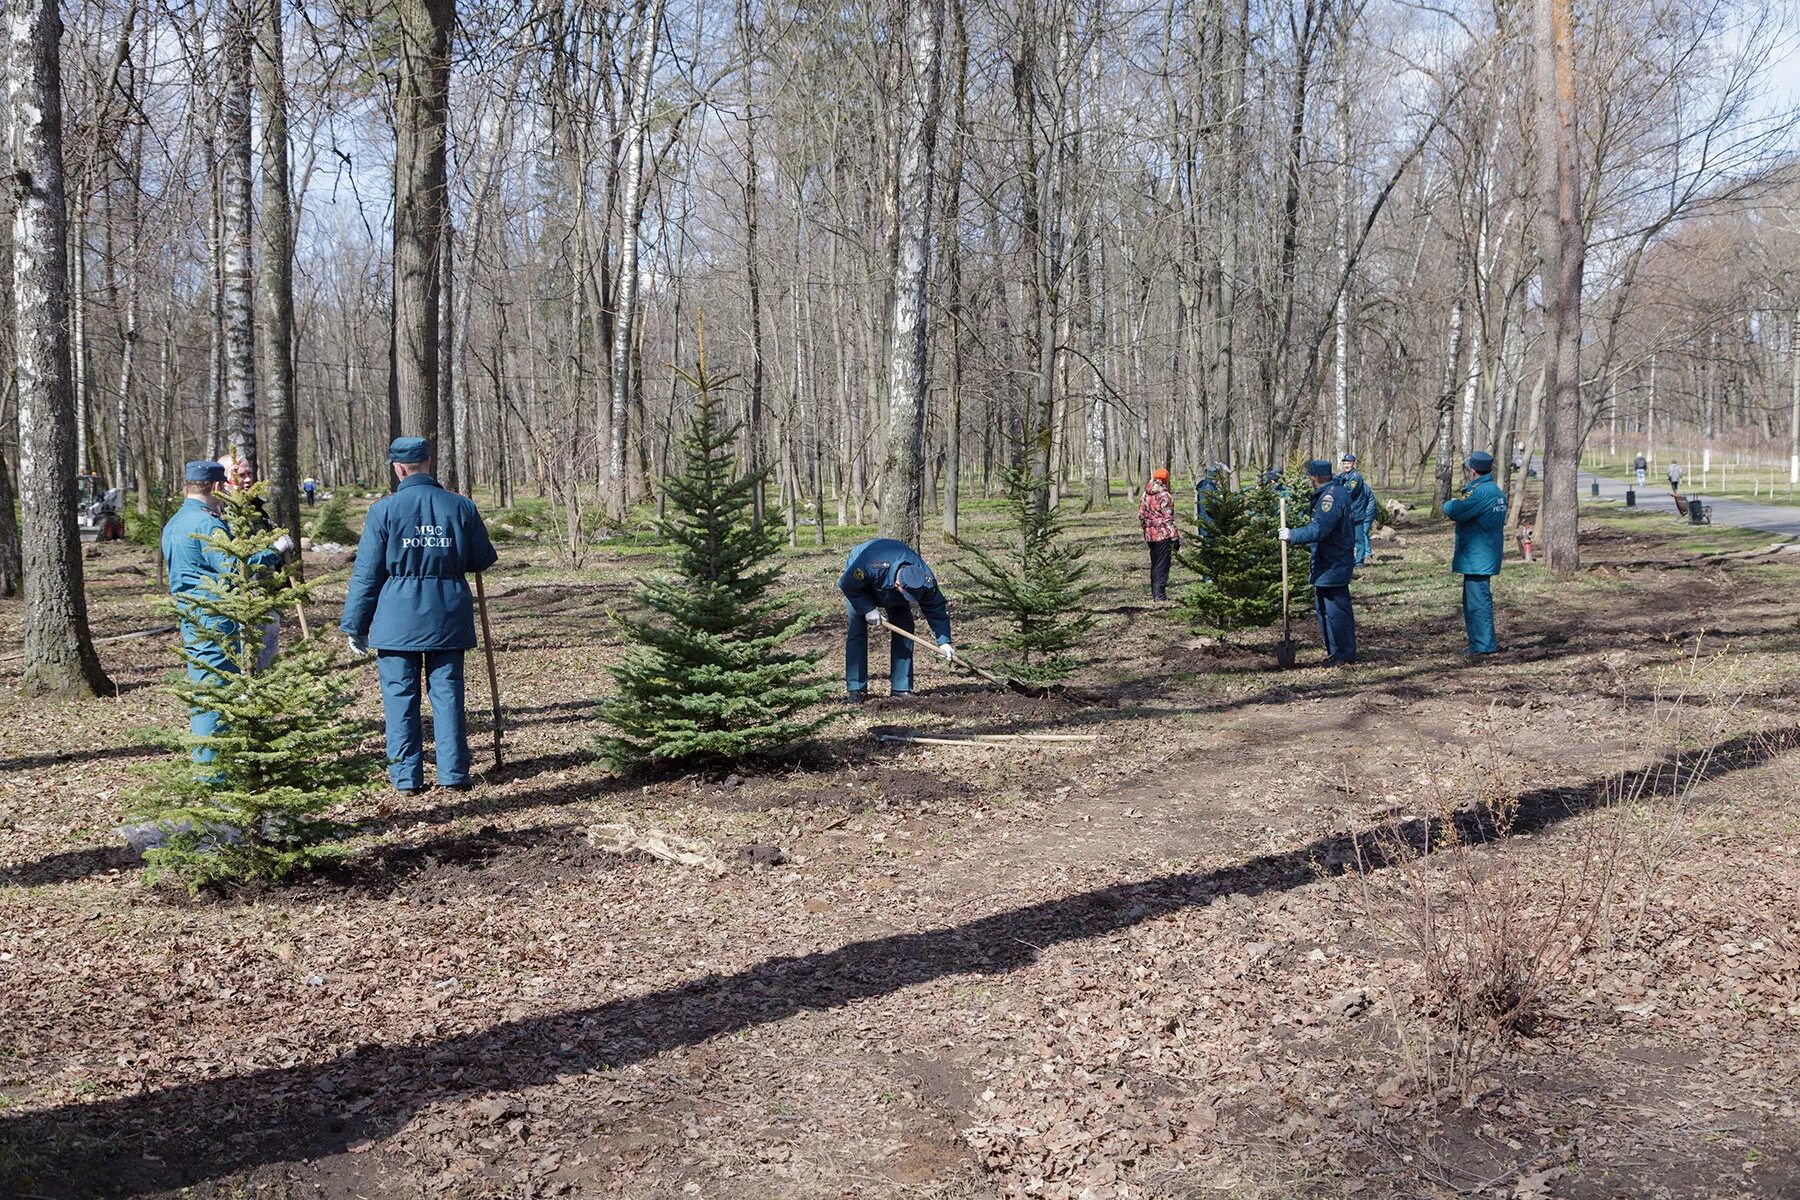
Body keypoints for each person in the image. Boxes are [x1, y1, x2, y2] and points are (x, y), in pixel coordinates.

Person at [340, 437, 498, 794]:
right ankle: (454, 774)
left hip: (397, 617)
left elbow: (367, 574)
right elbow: (482, 558)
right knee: (447, 693)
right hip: (447, 614)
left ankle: (406, 778)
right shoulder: (461, 507)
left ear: (398, 469)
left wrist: (355, 624)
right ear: (429, 463)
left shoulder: (383, 511)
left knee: (400, 696)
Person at [161, 460, 292, 763]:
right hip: (217, 621)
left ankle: (212, 767)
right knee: (217, 695)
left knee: (205, 692)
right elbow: (236, 568)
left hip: (193, 618)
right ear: (218, 487)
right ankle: (214, 774)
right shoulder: (207, 523)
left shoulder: (176, 521)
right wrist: (274, 550)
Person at [838, 538, 953, 703]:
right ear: (898, 584)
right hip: (861, 588)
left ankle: (901, 687)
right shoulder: (872, 564)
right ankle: (857, 690)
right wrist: (868, 609)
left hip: (892, 593)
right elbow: (846, 584)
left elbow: (936, 607)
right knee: (857, 630)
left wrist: (944, 641)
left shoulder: (924, 578)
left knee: (905, 629)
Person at [1279, 459, 1356, 665]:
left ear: (1313, 478)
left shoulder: (1329, 498)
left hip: (1333, 563)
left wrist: (1292, 534)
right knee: (1324, 609)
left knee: (1336, 611)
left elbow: (1320, 529)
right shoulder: (1337, 492)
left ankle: (1344, 653)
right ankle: (1335, 652)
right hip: (1329, 562)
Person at [1442, 451, 1507, 656]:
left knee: (1477, 603)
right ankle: (1479, 643)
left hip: (1477, 556)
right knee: (1476, 600)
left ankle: (1483, 645)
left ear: (1472, 471)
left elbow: (1454, 510)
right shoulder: (1496, 491)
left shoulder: (1480, 493)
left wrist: (1449, 503)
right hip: (1485, 554)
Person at [1138, 467, 1180, 602]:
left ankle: (1155, 593)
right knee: (1162, 565)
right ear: (1166, 479)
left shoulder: (1145, 494)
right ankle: (1159, 595)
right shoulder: (1164, 496)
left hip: (1150, 536)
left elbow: (1141, 515)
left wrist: (1146, 530)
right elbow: (1168, 519)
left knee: (1155, 563)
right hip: (1163, 535)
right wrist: (1175, 537)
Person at [1338, 452, 1378, 566]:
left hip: (1356, 513)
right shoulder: (1344, 476)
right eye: (1345, 463)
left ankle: (1359, 561)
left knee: (1358, 539)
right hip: (1347, 513)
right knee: (1347, 539)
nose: (1346, 465)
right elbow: (1336, 481)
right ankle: (1349, 560)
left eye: (1348, 463)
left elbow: (1349, 491)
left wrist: (1339, 490)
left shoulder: (1356, 477)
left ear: (1353, 464)